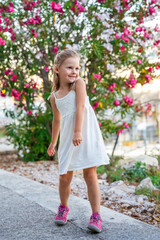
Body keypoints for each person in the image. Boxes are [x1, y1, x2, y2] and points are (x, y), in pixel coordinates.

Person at [47, 49, 110, 233]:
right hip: (68, 137)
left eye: (77, 67)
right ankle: (63, 207)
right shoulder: (54, 96)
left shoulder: (78, 84)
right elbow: (57, 120)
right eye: (69, 67)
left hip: (84, 133)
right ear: (57, 69)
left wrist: (77, 131)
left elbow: (80, 107)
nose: (74, 71)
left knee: (90, 174)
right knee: (64, 176)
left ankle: (96, 215)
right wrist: (53, 143)